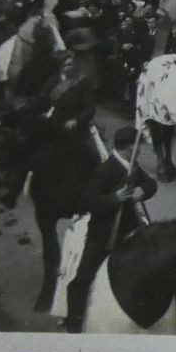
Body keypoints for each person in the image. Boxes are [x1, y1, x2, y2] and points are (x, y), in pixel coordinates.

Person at [65, 125, 158, 333]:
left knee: (159, 260)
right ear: (127, 147)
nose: (140, 149)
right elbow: (87, 201)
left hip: (131, 229)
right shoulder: (105, 170)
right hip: (104, 233)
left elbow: (151, 183)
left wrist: (141, 192)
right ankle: (73, 323)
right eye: (138, 145)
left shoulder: (131, 164)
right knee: (82, 281)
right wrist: (114, 198)